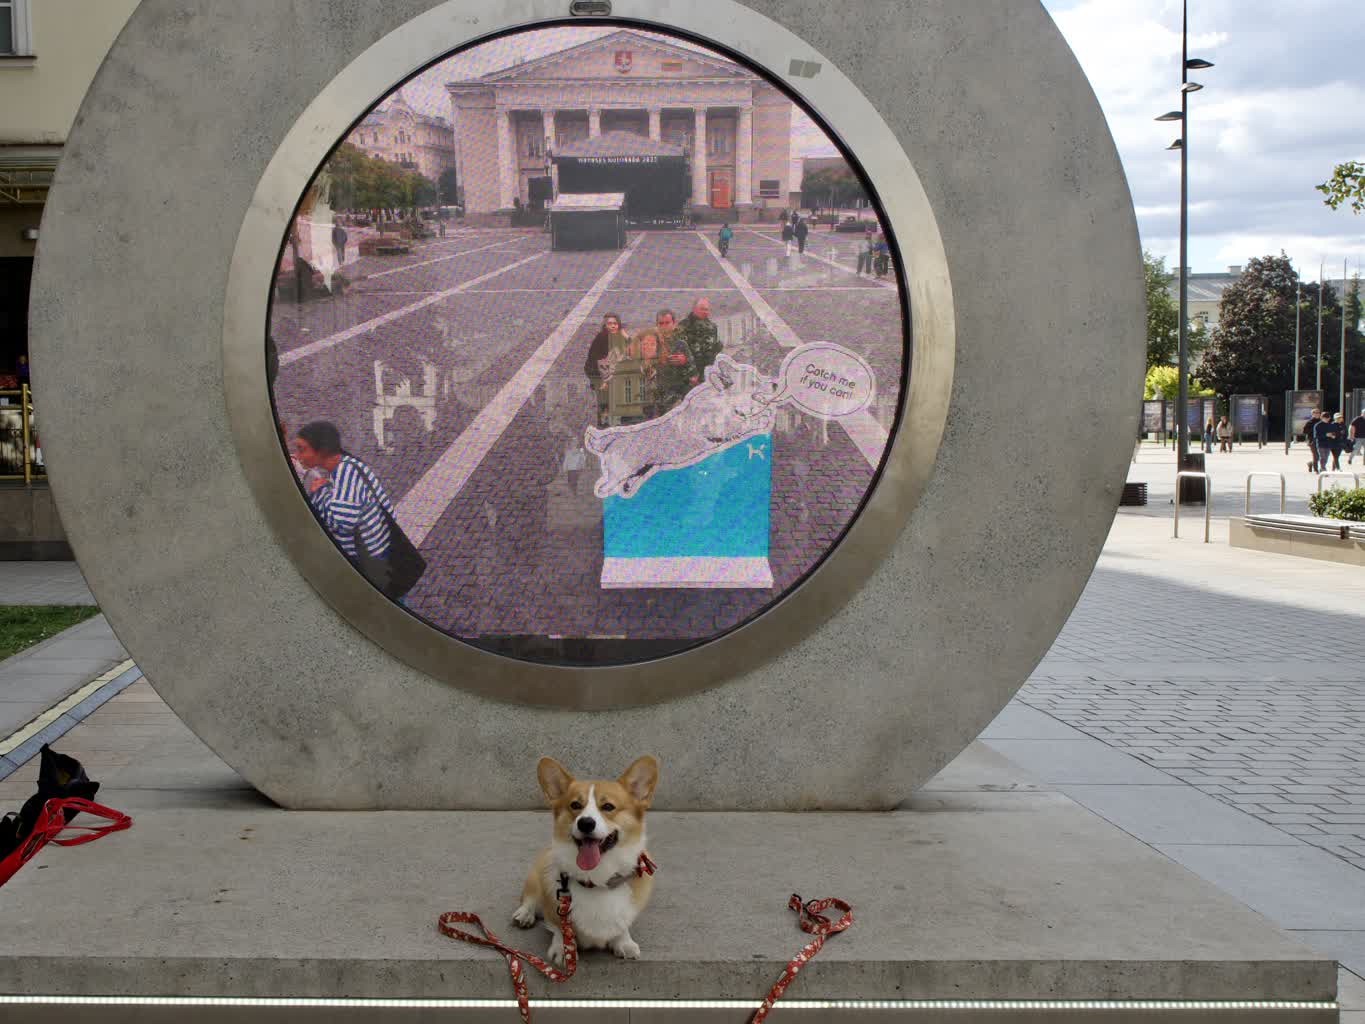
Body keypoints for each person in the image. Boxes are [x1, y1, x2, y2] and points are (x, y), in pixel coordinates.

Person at [293, 421, 397, 584]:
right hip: (376, 554)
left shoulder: (346, 472)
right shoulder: (346, 465)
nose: (297, 455)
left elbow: (341, 523)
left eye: (302, 449)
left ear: (322, 451)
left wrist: (319, 493)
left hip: (370, 565)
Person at [647, 308, 697, 415]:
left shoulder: (681, 344)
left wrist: (684, 361)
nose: (664, 326)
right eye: (661, 323)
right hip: (659, 397)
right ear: (657, 325)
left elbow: (693, 372)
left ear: (674, 324)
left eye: (667, 323)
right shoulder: (651, 344)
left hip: (679, 396)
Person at [677, 297, 722, 375]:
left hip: (708, 371)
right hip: (690, 371)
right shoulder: (683, 326)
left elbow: (715, 347)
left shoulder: (712, 327)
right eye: (702, 309)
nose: (705, 312)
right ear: (694, 309)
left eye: (706, 309)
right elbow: (680, 349)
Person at [1304, 408, 1322, 472]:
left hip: (1321, 440)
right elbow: (1305, 431)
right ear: (1312, 414)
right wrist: (1313, 429)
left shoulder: (1321, 421)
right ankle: (1316, 469)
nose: (1317, 414)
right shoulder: (1310, 422)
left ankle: (1310, 463)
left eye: (1318, 413)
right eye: (1315, 413)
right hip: (1312, 440)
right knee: (1315, 455)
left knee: (1321, 456)